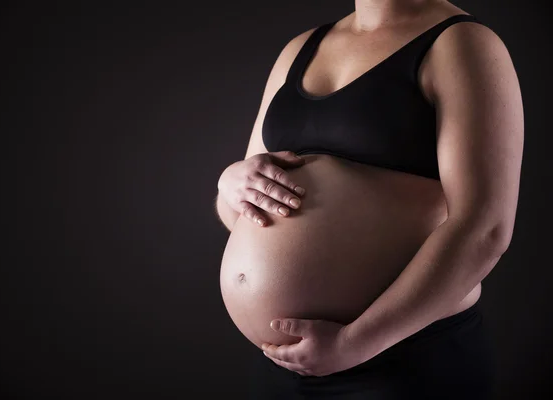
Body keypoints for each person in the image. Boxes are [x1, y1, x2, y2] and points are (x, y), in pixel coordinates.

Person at [214, 0, 523, 398]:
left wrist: (353, 345)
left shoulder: (461, 44)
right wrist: (229, 184)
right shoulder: (300, 48)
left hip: (402, 362)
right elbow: (240, 210)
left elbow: (485, 228)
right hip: (282, 366)